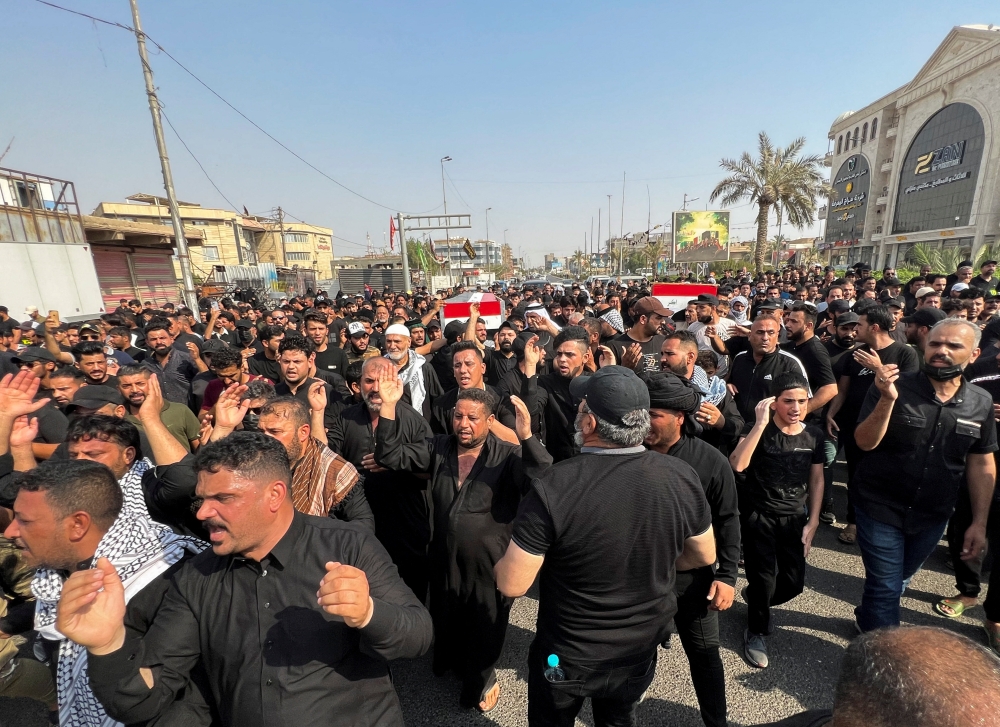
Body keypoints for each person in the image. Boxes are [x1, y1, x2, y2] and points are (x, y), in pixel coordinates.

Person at [61, 432, 433, 726]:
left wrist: (369, 613)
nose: (204, 512)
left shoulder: (348, 544)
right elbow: (146, 697)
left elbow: (418, 635)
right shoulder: (196, 577)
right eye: (203, 498)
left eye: (223, 498)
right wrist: (107, 645)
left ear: (274, 495)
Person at [495, 366, 715, 727]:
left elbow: (511, 584)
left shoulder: (554, 486)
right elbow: (703, 555)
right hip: (639, 650)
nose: (577, 411)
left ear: (590, 425)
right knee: (618, 719)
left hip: (565, 656)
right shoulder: (680, 476)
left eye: (582, 406)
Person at [375, 374, 552, 712]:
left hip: (489, 562)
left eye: (473, 418)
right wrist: (387, 406)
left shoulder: (508, 455)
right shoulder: (438, 447)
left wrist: (526, 436)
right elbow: (388, 454)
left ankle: (481, 679)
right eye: (459, 415)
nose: (464, 424)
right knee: (445, 613)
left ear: (489, 421)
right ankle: (448, 662)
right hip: (442, 556)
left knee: (484, 624)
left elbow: (542, 476)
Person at [4, 459, 208, 726]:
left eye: (24, 520)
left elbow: (176, 703)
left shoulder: (170, 584)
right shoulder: (60, 571)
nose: (10, 531)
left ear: (78, 524)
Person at [851, 319, 997, 631]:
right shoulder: (890, 385)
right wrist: (887, 400)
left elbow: (981, 464)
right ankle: (884, 657)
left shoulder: (980, 402)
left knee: (897, 581)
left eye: (954, 346)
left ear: (974, 354)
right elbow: (864, 441)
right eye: (935, 343)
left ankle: (868, 618)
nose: (941, 351)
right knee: (887, 587)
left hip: (932, 515)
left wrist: (979, 522)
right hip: (880, 506)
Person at [642, 371, 738, 727]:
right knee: (635, 649)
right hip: (642, 579)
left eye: (655, 414)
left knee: (704, 655)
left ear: (680, 418)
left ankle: (716, 720)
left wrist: (727, 577)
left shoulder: (711, 463)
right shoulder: (630, 454)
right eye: (643, 413)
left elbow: (729, 520)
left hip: (692, 581)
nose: (646, 422)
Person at [729, 373, 824, 669]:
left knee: (793, 583)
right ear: (773, 402)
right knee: (763, 577)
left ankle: (757, 600)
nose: (796, 407)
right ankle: (756, 631)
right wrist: (759, 424)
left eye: (802, 401)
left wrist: (814, 521)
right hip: (759, 516)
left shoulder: (815, 435)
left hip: (795, 518)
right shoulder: (757, 428)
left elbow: (818, 479)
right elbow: (738, 463)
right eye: (788, 401)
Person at [329, 357, 434, 601]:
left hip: (404, 522)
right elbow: (329, 460)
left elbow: (431, 468)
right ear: (358, 384)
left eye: (382, 381)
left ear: (396, 384)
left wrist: (394, 461)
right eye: (369, 381)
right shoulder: (347, 418)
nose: (376, 388)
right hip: (359, 521)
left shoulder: (413, 420)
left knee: (407, 591)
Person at [826, 304, 921, 544]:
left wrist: (878, 369)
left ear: (875, 327)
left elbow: (908, 392)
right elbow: (843, 390)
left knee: (887, 478)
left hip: (889, 428)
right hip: (855, 426)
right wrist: (831, 413)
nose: (854, 329)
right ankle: (854, 521)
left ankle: (885, 526)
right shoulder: (854, 355)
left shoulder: (904, 354)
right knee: (856, 476)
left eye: (859, 324)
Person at [728, 316, 811, 432]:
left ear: (778, 335)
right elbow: (730, 383)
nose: (765, 338)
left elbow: (804, 404)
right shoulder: (739, 358)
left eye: (770, 333)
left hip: (771, 436)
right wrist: (727, 385)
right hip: (738, 432)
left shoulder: (790, 364)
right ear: (750, 335)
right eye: (760, 332)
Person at [118, 365, 202, 453]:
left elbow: (199, 449)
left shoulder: (180, 411)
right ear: (118, 389)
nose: (134, 390)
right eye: (126, 386)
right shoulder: (118, 419)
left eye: (140, 384)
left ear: (153, 383)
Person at [383, 323, 443, 420]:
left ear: (409, 342)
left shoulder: (423, 367)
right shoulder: (381, 368)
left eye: (397, 341)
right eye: (389, 341)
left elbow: (437, 400)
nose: (392, 346)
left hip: (422, 426)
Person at [141, 320, 198, 406]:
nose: (159, 342)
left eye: (162, 338)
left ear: (171, 338)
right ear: (147, 342)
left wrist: (197, 359)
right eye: (153, 339)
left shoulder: (186, 359)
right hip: (162, 413)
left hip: (188, 412)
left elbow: (205, 379)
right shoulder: (145, 364)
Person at [610, 296, 670, 373]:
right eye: (658, 318)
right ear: (643, 319)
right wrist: (624, 367)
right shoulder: (614, 347)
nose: (663, 322)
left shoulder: (664, 342)